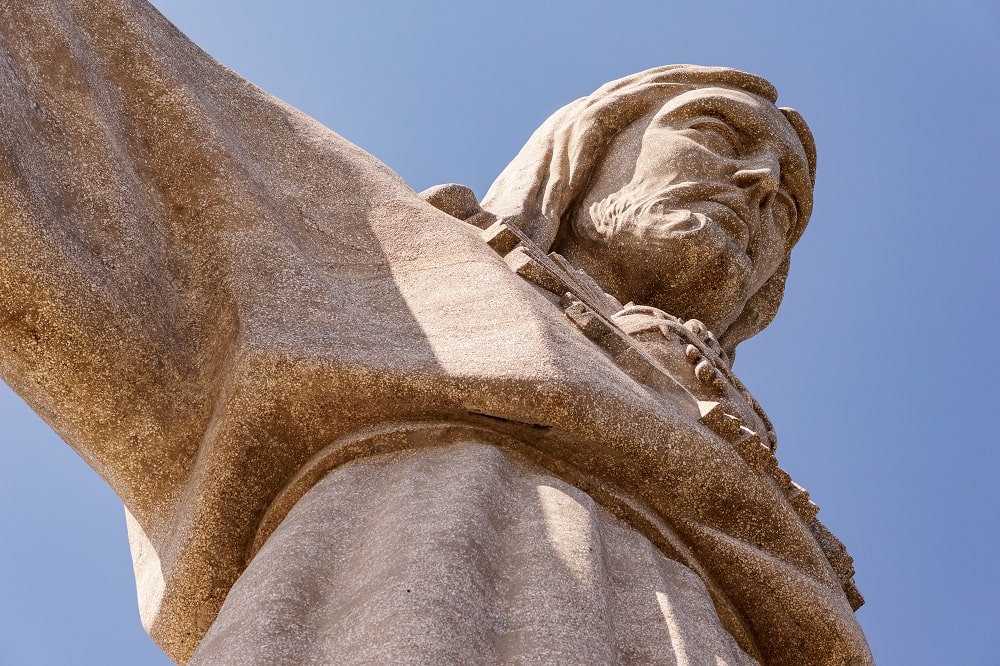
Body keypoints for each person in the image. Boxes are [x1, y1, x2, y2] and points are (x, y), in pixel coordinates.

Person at [0, 1, 870, 664]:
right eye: (717, 134)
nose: (759, 186)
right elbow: (101, 78)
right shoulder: (395, 259)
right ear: (582, 153)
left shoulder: (767, 487)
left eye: (787, 204)